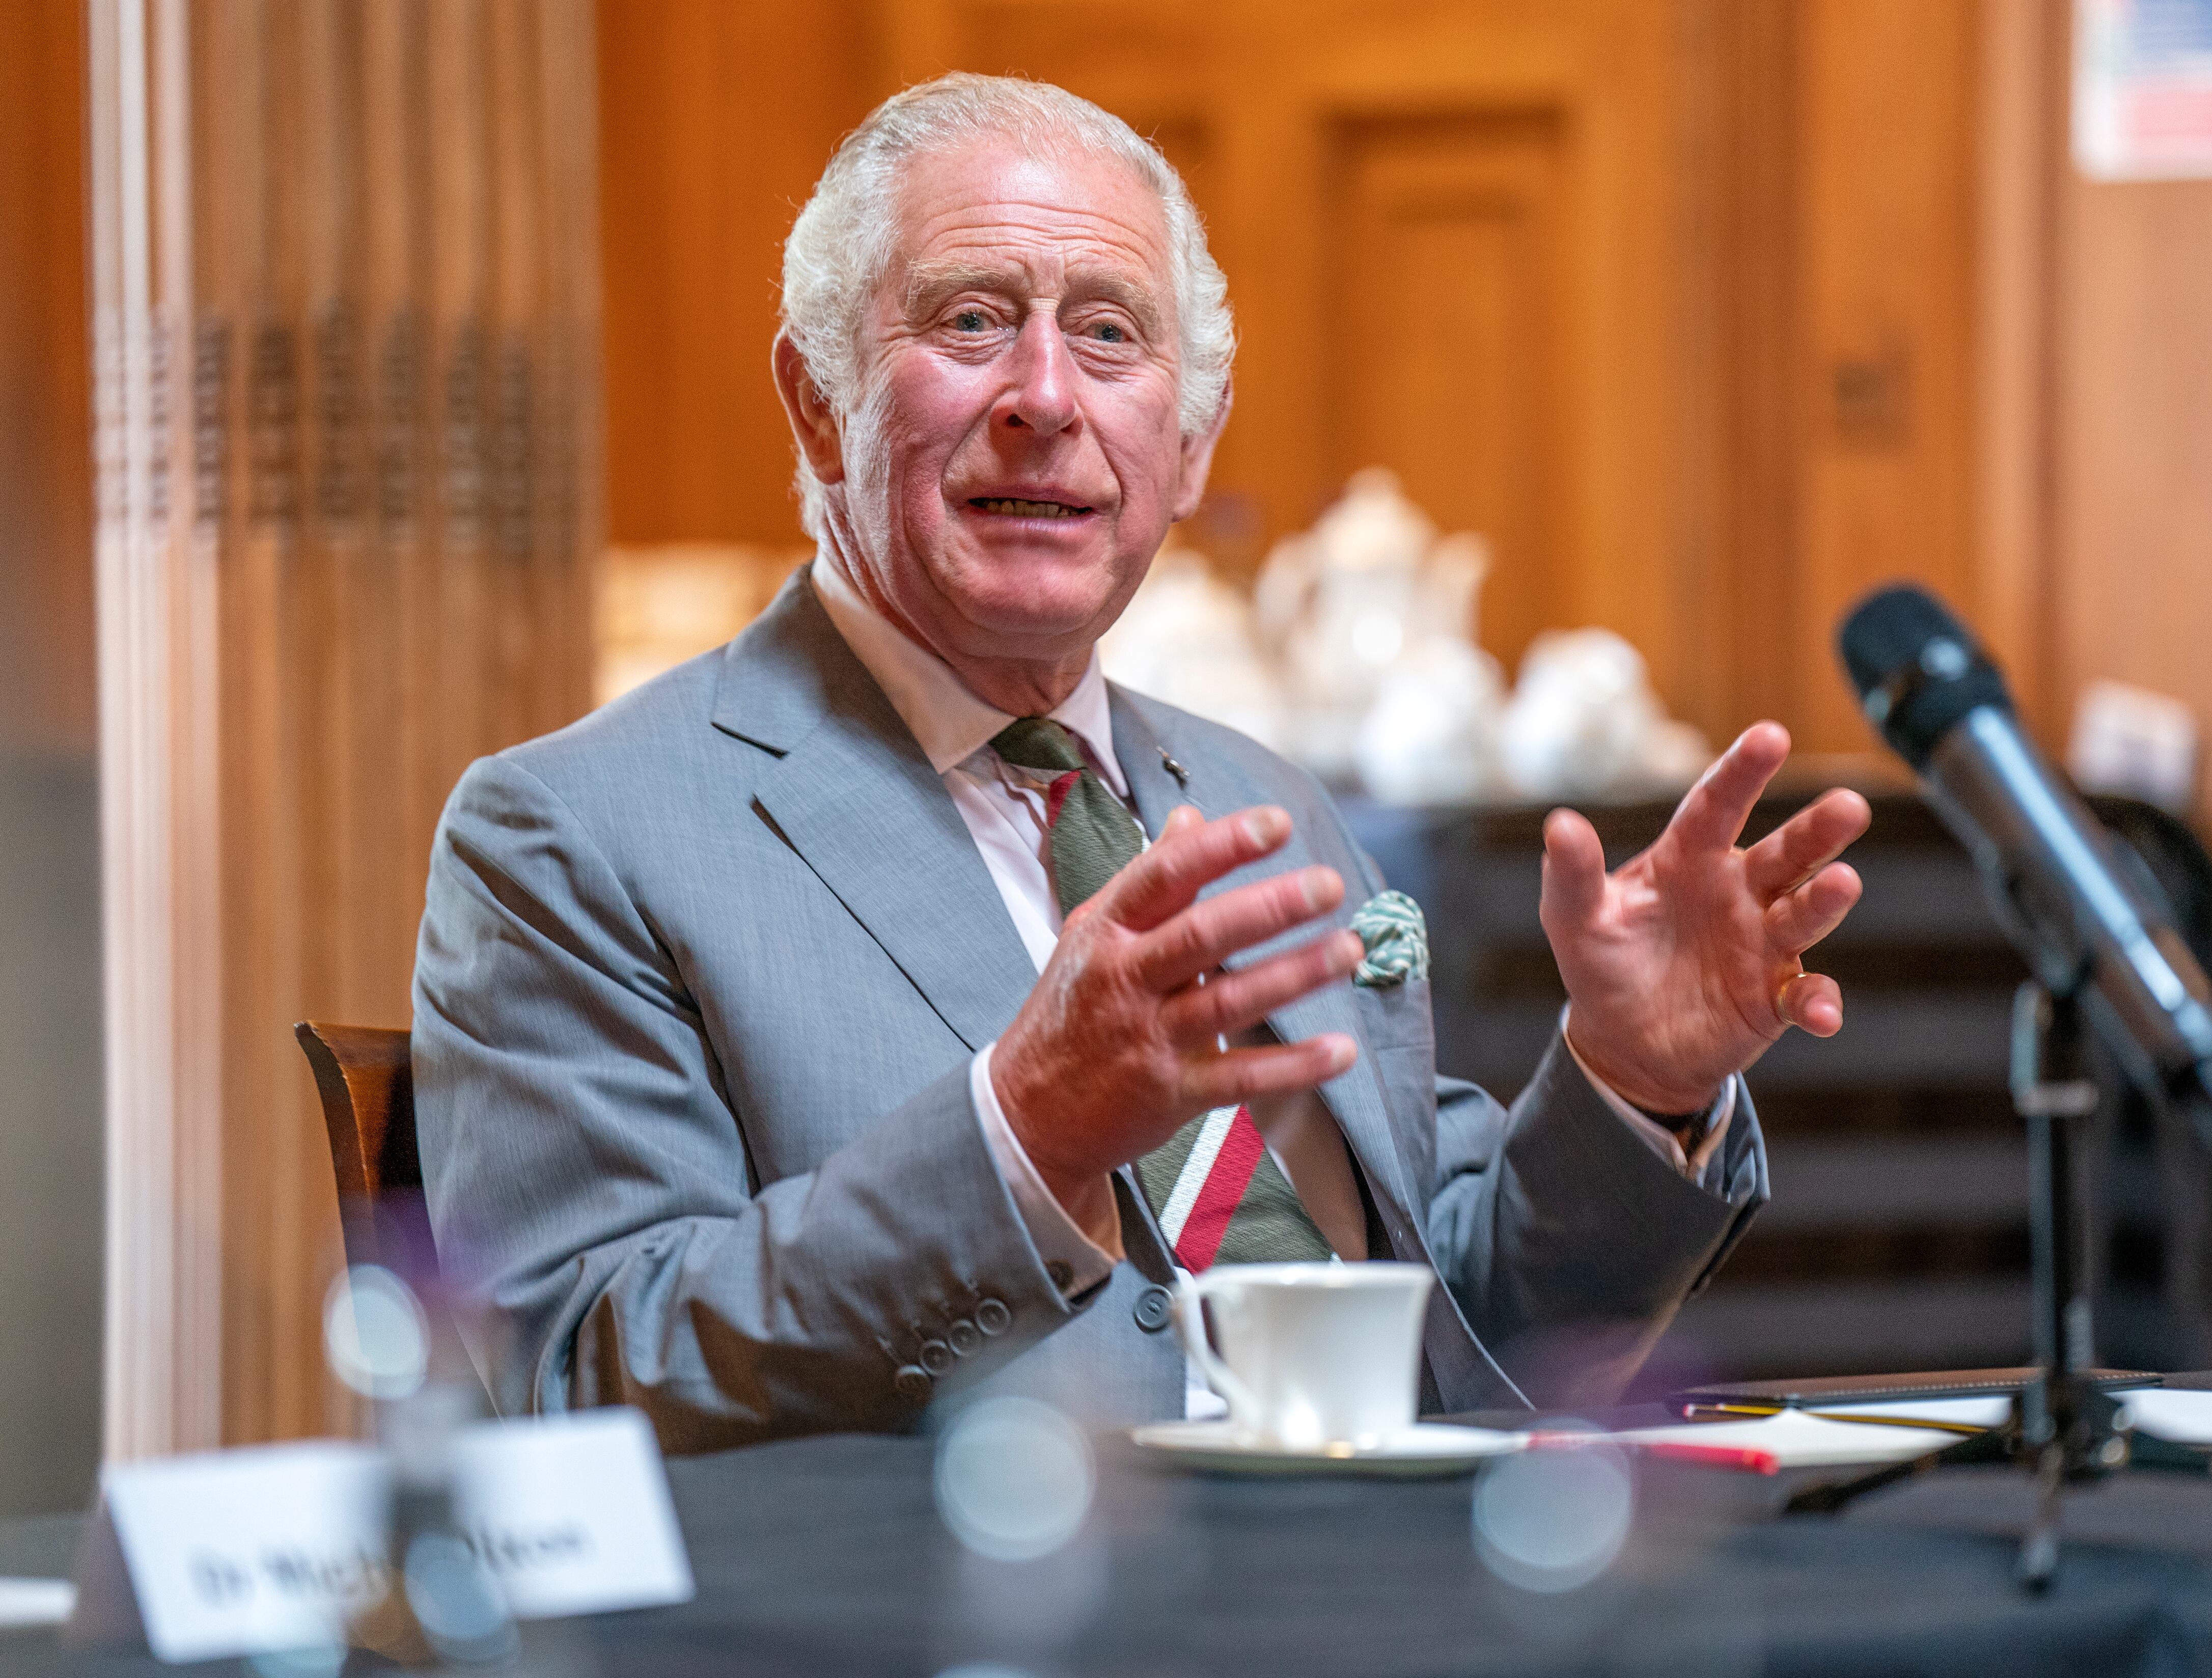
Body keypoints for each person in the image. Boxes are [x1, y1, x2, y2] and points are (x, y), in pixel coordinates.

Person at [412, 73, 1871, 1452]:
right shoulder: (576, 836)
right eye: (973, 320)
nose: (1046, 395)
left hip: (1386, 1588)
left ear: (1188, 445)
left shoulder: (1263, 801)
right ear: (817, 401)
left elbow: (1461, 1344)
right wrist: (1021, 1138)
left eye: (1110, 334)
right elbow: (584, 1376)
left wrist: (1630, 1089)